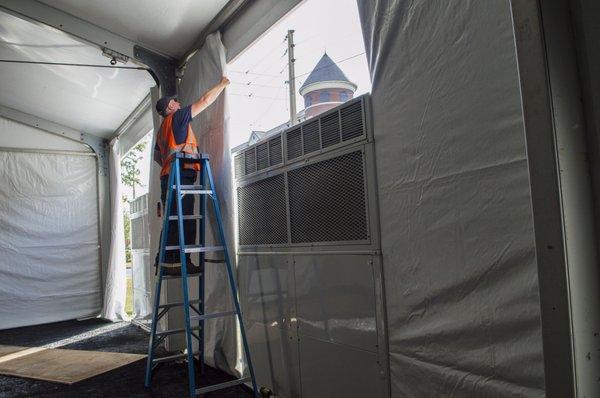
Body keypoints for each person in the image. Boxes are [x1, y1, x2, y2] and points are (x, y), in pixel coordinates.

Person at [153, 76, 230, 275]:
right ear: (170, 108)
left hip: (168, 176)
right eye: (174, 102)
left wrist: (172, 162)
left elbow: (157, 157)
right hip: (181, 174)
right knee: (185, 218)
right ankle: (181, 263)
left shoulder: (162, 129)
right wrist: (221, 84)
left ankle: (166, 261)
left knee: (173, 218)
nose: (178, 103)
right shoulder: (177, 117)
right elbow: (205, 101)